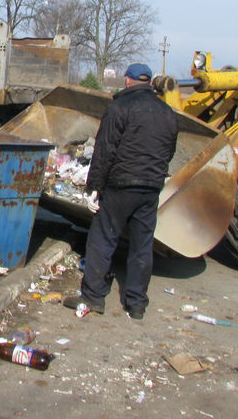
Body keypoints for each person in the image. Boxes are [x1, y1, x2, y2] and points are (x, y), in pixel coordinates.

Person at [64, 62, 178, 320]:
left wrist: (94, 187)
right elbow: (169, 150)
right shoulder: (168, 113)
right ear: (149, 83)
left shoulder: (119, 108)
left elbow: (105, 151)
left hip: (120, 186)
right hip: (150, 189)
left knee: (102, 239)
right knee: (142, 246)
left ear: (127, 81)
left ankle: (93, 298)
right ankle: (136, 305)